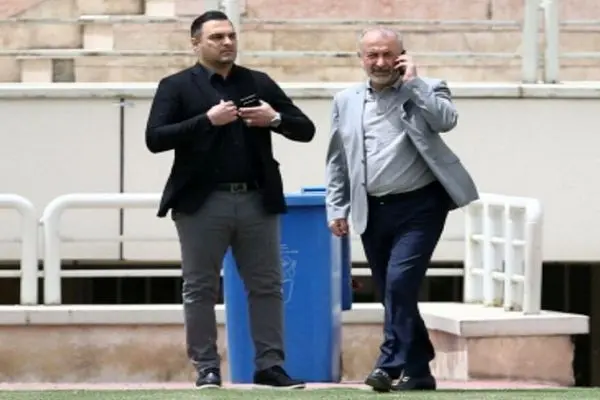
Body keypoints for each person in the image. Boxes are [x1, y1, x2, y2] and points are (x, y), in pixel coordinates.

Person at [145, 10, 315, 389]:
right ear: (196, 43)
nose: (226, 43)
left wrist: (274, 119)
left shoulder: (257, 82)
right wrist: (207, 120)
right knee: (200, 288)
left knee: (267, 286)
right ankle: (206, 367)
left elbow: (306, 130)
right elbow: (155, 138)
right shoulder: (176, 86)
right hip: (201, 203)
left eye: (231, 36)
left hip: (256, 200)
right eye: (217, 37)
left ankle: (270, 365)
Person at [325, 27, 479, 392]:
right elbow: (337, 158)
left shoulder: (428, 87)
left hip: (421, 205)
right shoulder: (345, 100)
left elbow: (445, 121)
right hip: (372, 208)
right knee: (392, 292)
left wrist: (414, 83)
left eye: (388, 55)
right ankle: (419, 370)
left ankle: (388, 363)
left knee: (399, 283)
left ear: (402, 56)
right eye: (372, 55)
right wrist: (337, 206)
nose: (380, 62)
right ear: (361, 58)